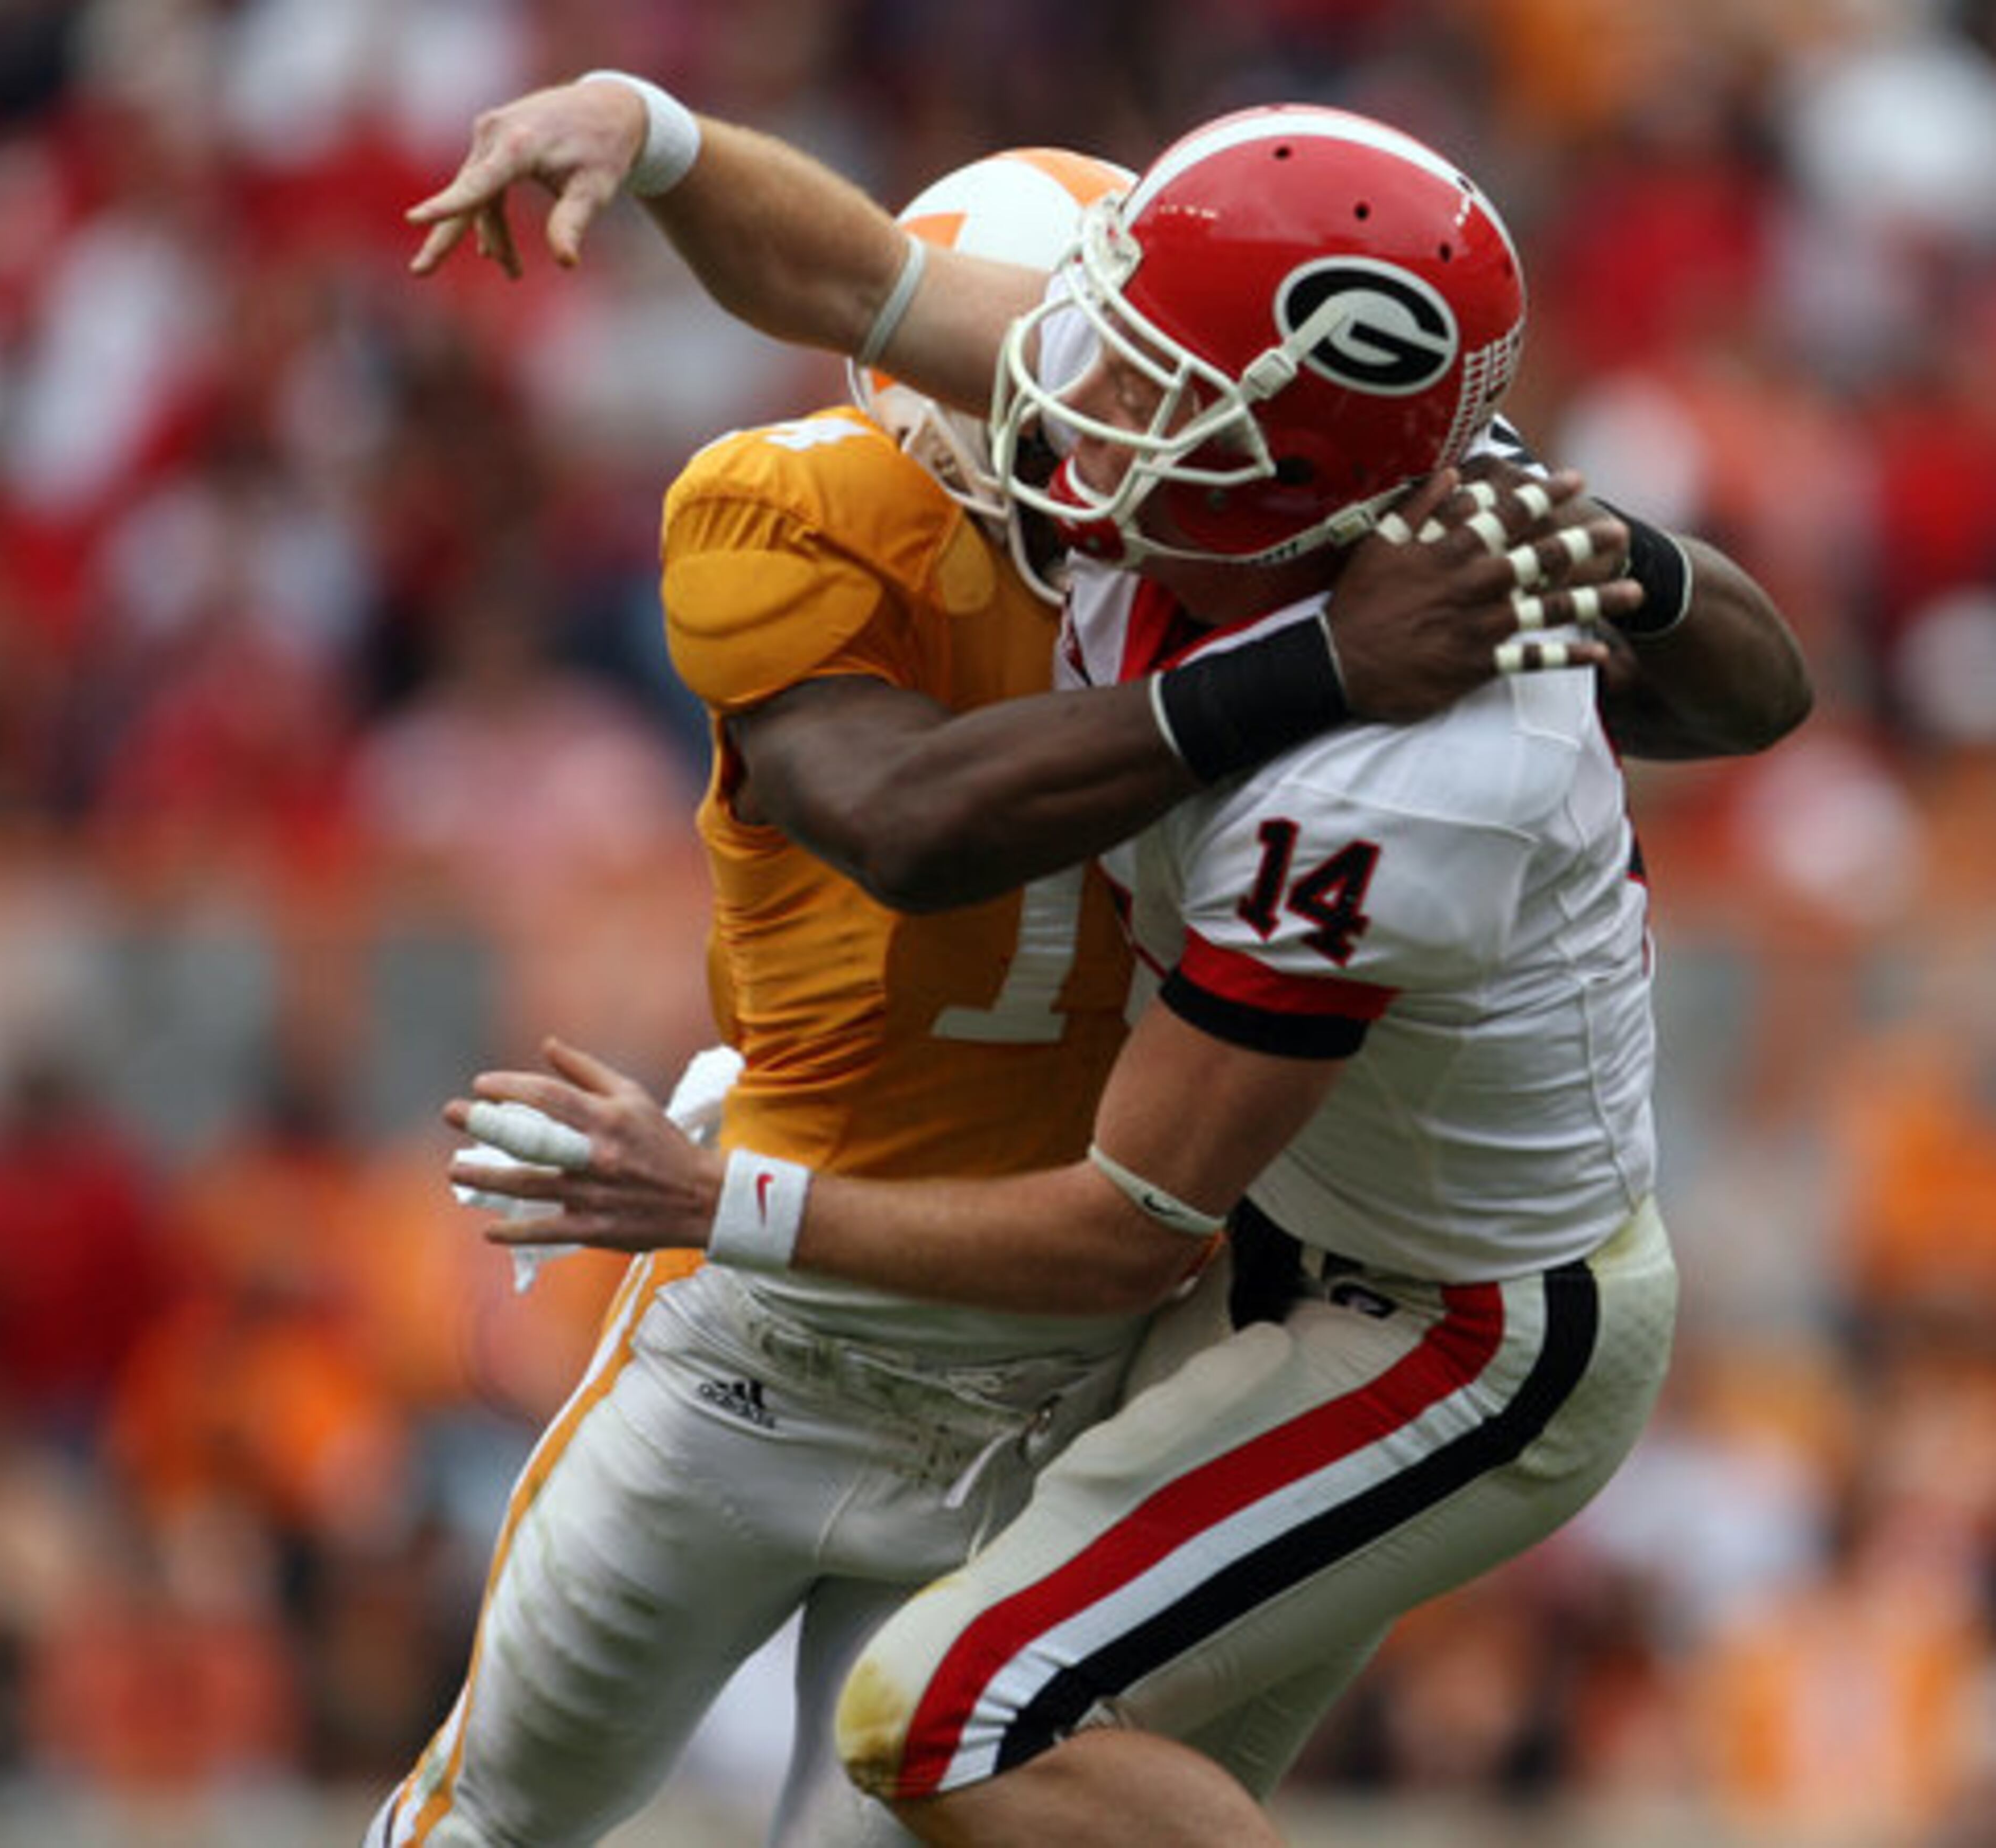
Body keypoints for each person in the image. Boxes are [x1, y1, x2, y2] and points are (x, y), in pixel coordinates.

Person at [429, 88, 1812, 1848]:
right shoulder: (1277, 472)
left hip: (1444, 1332)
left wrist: (720, 1203)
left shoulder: (1420, 779)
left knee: (946, 1724)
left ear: (1304, 468)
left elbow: (1122, 1224)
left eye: (1160, 387)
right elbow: (853, 272)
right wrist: (657, 135)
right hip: (1274, 1259)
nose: (1087, 405)